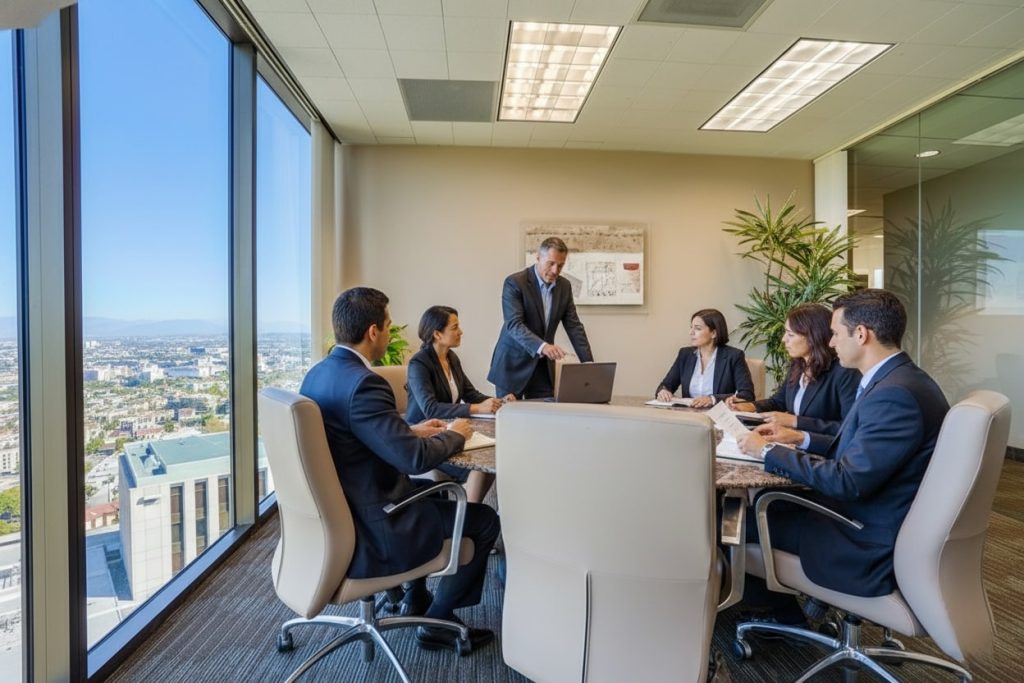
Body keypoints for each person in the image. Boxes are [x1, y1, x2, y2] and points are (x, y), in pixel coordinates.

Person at [300, 287, 500, 652]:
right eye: (389, 325)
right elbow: (414, 461)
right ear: (373, 331)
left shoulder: (318, 375)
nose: (392, 332)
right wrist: (456, 435)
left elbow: (355, 434)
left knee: (436, 498)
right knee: (484, 520)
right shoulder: (365, 383)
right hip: (378, 525)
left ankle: (416, 598)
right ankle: (439, 620)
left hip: (340, 512)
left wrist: (412, 430)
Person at [736, 289, 950, 623]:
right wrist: (800, 438)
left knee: (732, 522)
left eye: (836, 333)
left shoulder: (893, 395)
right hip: (869, 515)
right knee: (762, 503)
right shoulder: (898, 380)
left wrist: (766, 450)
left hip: (862, 539)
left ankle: (782, 617)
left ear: (861, 334)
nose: (831, 342)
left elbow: (848, 481)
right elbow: (855, 448)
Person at [407, 305, 515, 503]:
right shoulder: (419, 364)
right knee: (480, 466)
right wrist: (477, 408)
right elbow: (431, 408)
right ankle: (470, 514)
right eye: (455, 327)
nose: (461, 332)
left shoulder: (451, 358)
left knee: (493, 457)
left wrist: (499, 402)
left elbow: (470, 393)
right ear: (437, 334)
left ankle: (475, 509)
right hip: (426, 437)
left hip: (451, 431)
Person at [726, 303, 859, 453]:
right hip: (792, 446)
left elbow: (847, 428)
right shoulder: (799, 365)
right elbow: (778, 401)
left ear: (813, 336)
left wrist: (796, 421)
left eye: (790, 334)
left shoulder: (844, 373)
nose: (784, 339)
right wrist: (748, 406)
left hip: (822, 453)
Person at [488, 237, 593, 399]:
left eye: (560, 265)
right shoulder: (515, 283)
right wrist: (543, 346)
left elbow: (574, 327)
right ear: (538, 257)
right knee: (511, 414)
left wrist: (589, 365)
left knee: (546, 412)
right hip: (512, 365)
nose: (555, 270)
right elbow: (514, 324)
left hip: (542, 367)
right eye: (551, 263)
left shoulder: (564, 286)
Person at [655, 308, 754, 408]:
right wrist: (663, 391)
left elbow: (747, 395)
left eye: (697, 328)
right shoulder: (685, 354)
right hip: (689, 414)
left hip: (719, 414)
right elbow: (665, 385)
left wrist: (712, 399)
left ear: (714, 333)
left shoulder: (734, 356)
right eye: (691, 327)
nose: (691, 332)